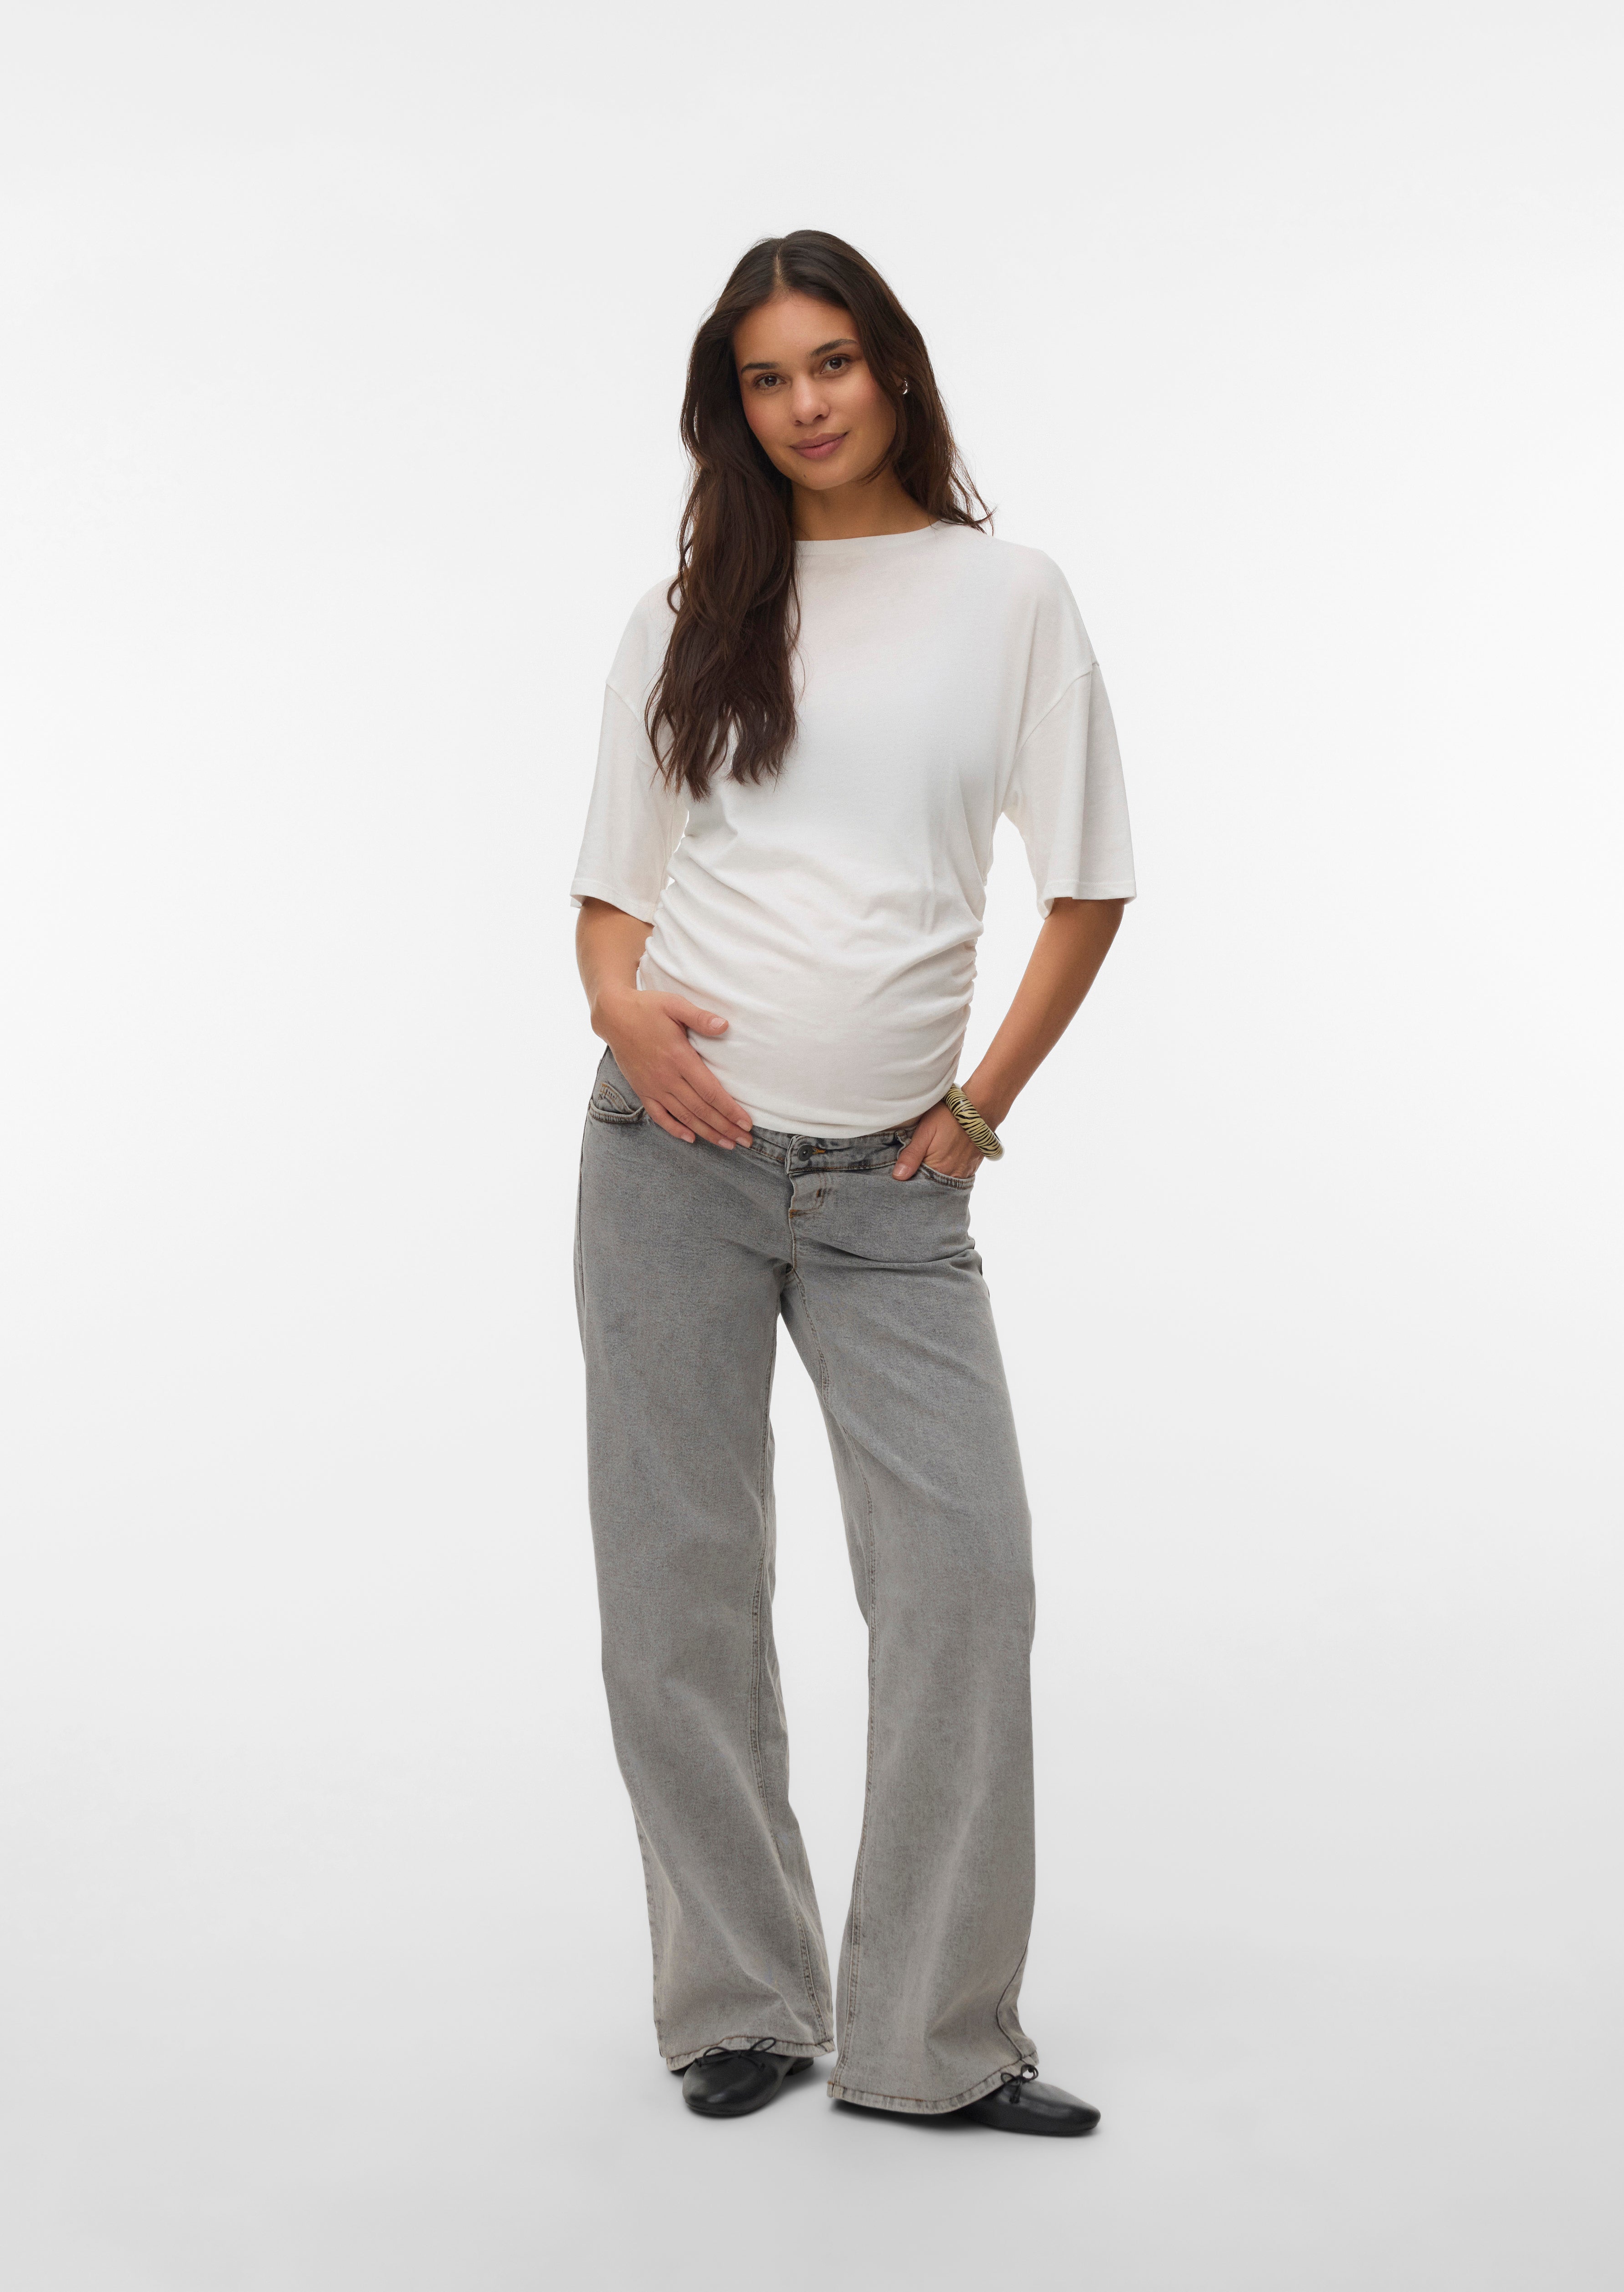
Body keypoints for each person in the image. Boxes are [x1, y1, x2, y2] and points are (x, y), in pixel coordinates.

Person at [570, 230, 1134, 2135]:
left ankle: (929, 2041)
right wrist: (621, 1011)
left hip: (896, 1192)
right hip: (670, 1161)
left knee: (966, 1582)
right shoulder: (689, 614)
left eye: (832, 361)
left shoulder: (1009, 598)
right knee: (679, 1588)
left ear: (892, 366)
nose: (805, 403)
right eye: (765, 377)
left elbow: (1087, 882)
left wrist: (977, 1107)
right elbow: (611, 895)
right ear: (732, 408)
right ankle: (737, 1998)